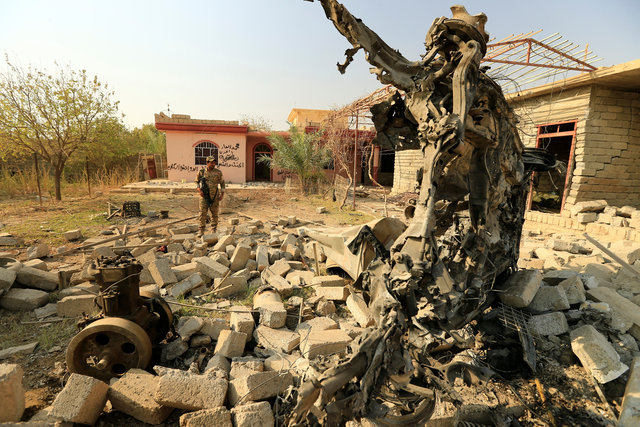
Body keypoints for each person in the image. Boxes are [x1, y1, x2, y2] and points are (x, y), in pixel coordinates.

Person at [196, 156, 225, 236]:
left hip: (215, 196)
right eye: (211, 162)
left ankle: (213, 230)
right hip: (204, 197)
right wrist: (199, 191)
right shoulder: (201, 172)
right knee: (202, 213)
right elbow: (197, 183)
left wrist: (221, 194)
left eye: (214, 162)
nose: (213, 164)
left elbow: (222, 184)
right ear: (207, 163)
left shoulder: (218, 172)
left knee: (214, 214)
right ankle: (201, 230)